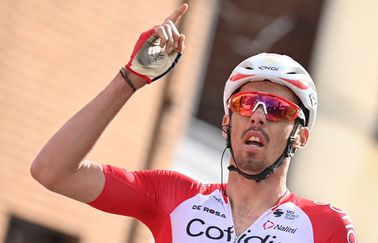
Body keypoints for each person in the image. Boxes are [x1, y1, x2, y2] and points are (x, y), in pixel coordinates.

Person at [31, 3, 358, 243]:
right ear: (227, 121)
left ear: (300, 136)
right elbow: (52, 171)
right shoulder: (174, 196)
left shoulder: (324, 227)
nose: (258, 114)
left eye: (277, 109)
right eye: (245, 104)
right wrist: (130, 79)